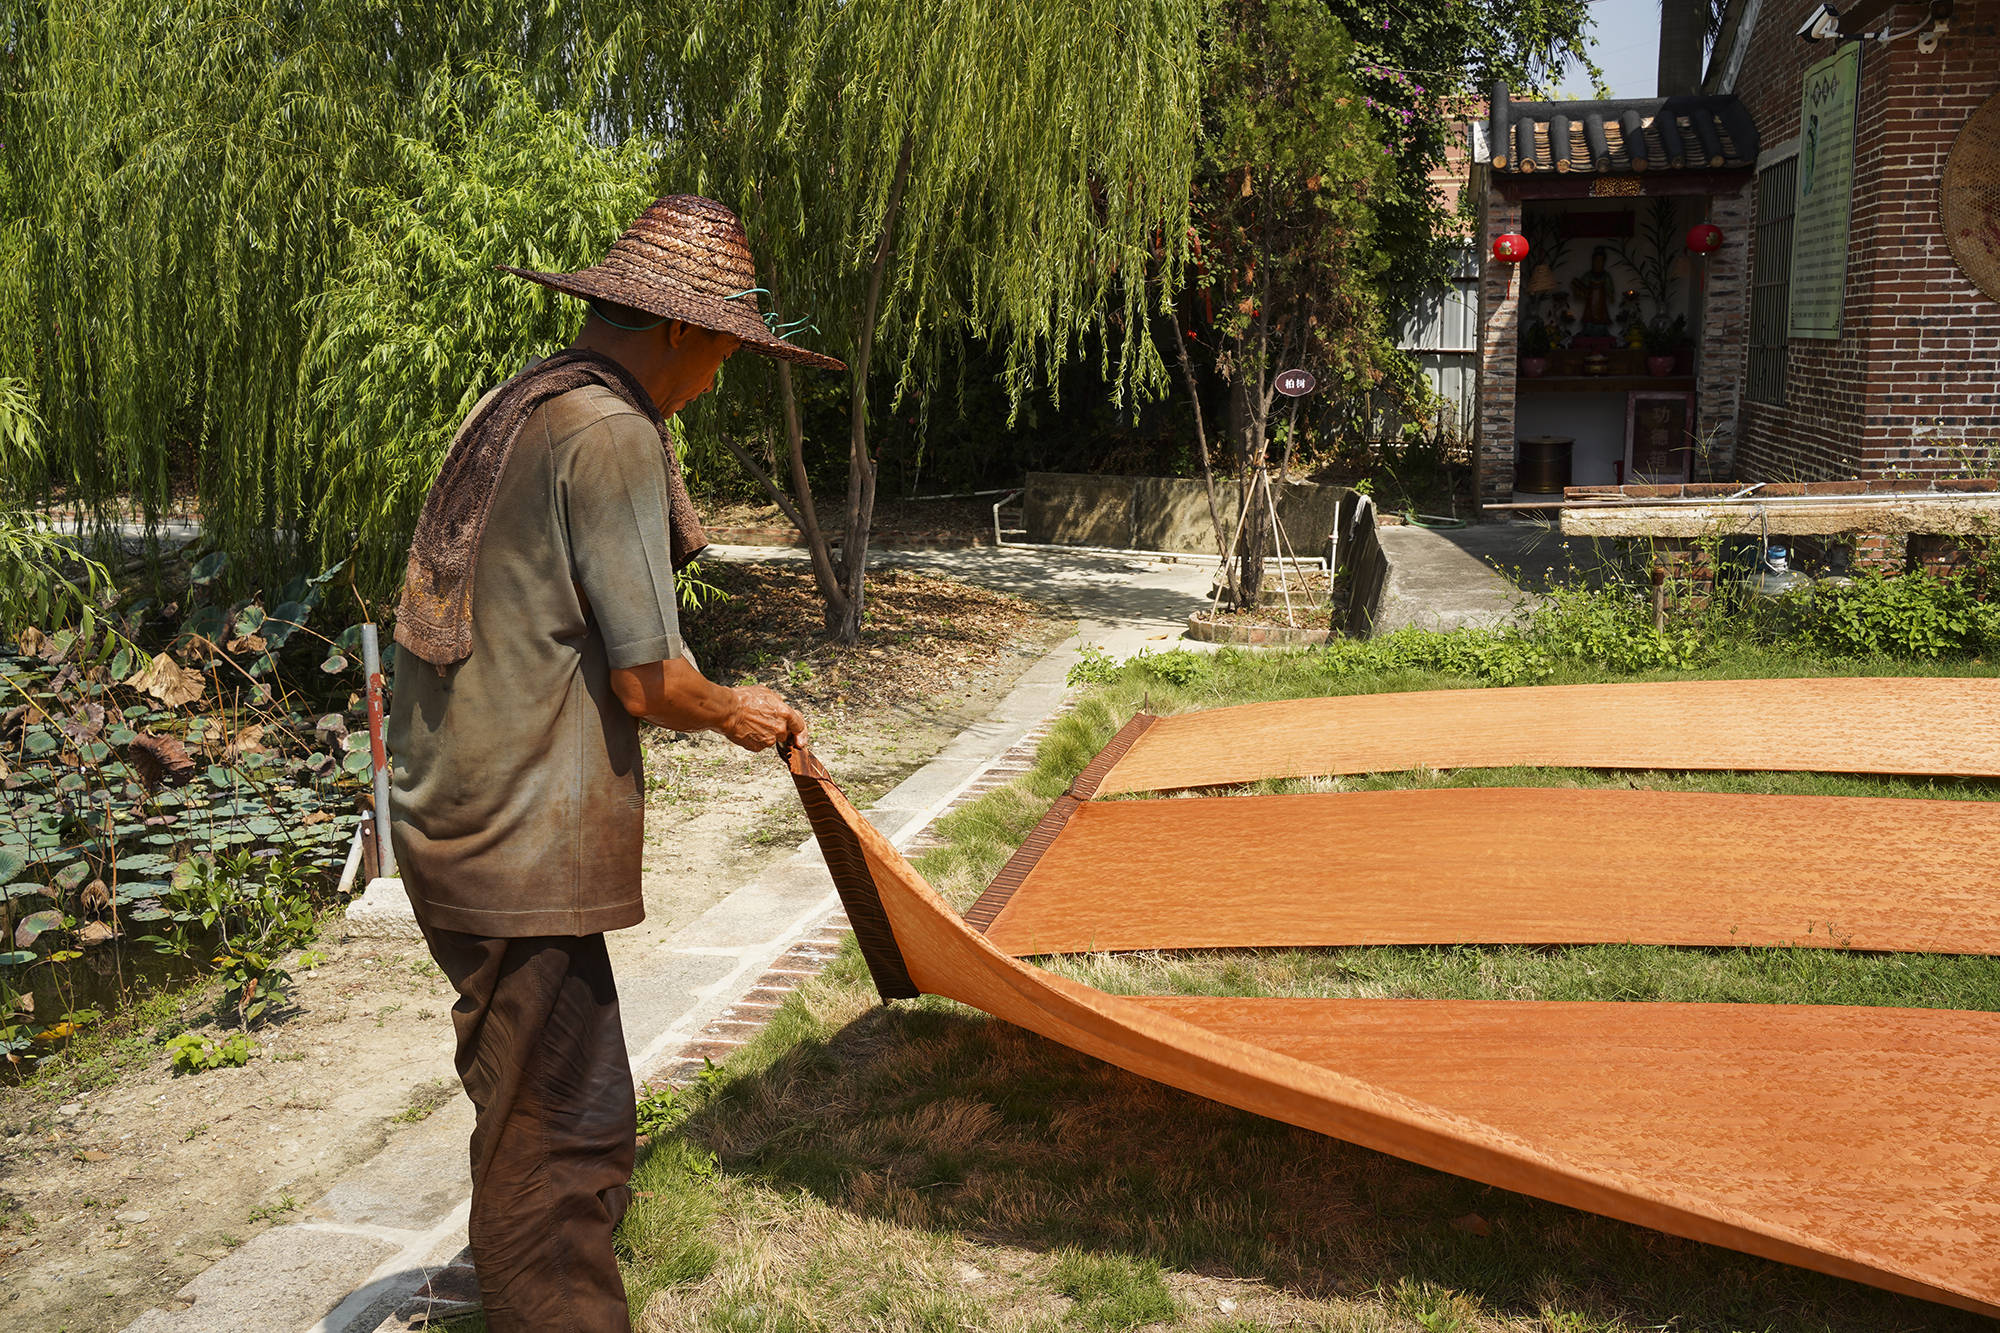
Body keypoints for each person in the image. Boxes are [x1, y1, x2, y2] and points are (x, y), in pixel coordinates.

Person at [385, 196, 844, 1332]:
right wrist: (739, 711)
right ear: (679, 330)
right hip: (520, 837)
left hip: (455, 814)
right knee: (564, 1133)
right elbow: (649, 681)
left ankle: (514, 1288)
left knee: (533, 1102)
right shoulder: (611, 431)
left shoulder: (524, 400)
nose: (720, 378)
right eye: (723, 349)